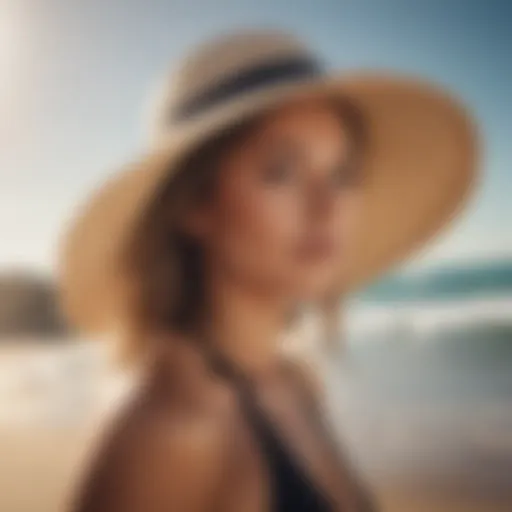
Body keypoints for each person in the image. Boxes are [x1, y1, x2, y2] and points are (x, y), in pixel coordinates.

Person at [58, 29, 478, 512]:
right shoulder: (175, 427)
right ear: (195, 203)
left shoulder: (293, 383)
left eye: (342, 174)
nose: (327, 207)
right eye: (281, 171)